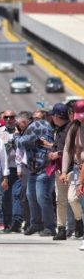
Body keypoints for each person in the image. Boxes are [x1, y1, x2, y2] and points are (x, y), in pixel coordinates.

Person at [15, 111, 55, 236]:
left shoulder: (35, 126)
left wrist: (16, 135)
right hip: (34, 169)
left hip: (43, 167)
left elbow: (20, 143)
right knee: (31, 197)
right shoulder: (37, 125)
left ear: (23, 122)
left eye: (18, 124)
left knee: (42, 198)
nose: (18, 127)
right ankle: (35, 224)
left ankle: (49, 227)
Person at [46, 103, 74, 240]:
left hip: (72, 169)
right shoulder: (58, 130)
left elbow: (73, 149)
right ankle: (61, 228)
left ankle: (78, 225)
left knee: (73, 199)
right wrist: (52, 151)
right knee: (60, 201)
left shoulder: (72, 129)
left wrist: (57, 153)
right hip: (59, 169)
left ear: (56, 116)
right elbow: (58, 146)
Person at [0, 110, 23, 233]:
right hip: (4, 169)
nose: (9, 119)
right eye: (6, 117)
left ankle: (16, 222)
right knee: (5, 196)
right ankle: (6, 222)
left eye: (11, 117)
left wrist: (17, 137)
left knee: (17, 195)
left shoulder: (21, 131)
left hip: (19, 168)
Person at [61, 100, 84, 246]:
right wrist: (64, 171)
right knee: (72, 199)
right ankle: (79, 221)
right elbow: (67, 150)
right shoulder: (73, 128)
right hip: (77, 169)